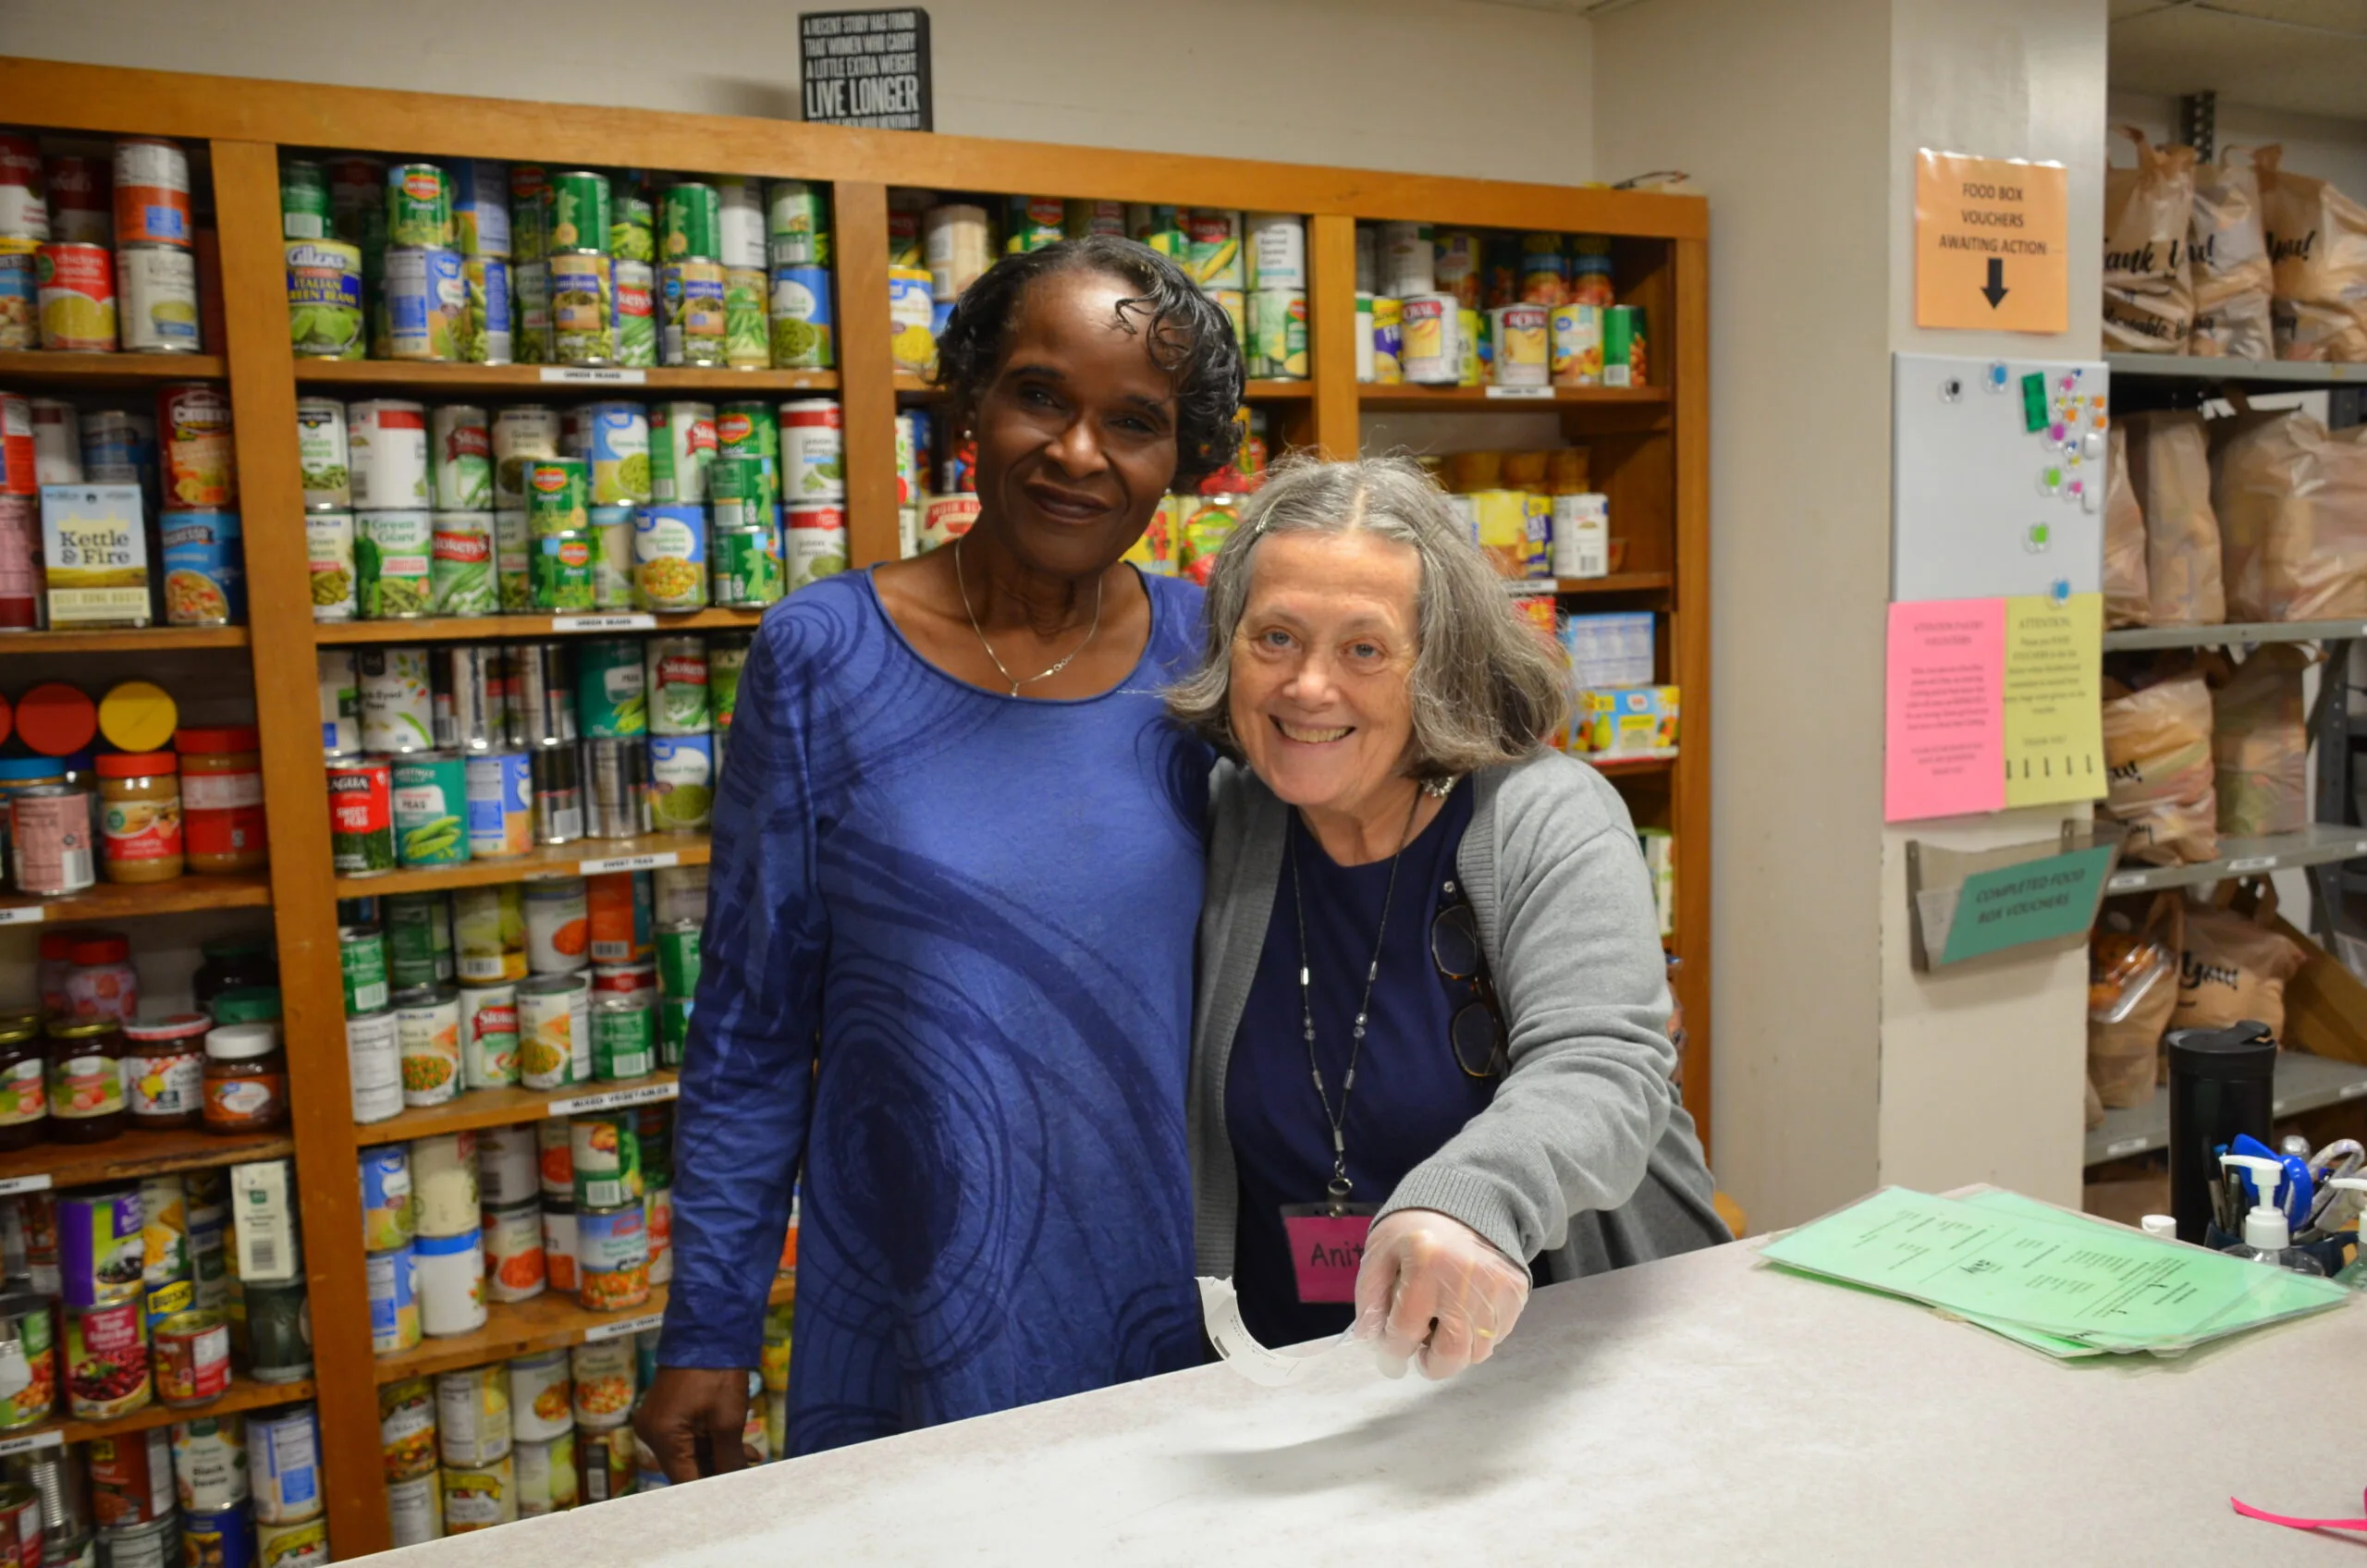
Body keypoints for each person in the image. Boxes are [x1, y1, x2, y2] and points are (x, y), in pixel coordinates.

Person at [640, 236, 1245, 1474]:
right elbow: (752, 1025)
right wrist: (709, 1323)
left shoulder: (1211, 657)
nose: (1079, 453)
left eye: (1134, 422)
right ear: (968, 399)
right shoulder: (824, 656)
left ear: (1179, 459)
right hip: (915, 1292)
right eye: (1040, 394)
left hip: (1171, 1292)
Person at [1171, 456, 1728, 1379]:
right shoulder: (1225, 816)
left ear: (1442, 663)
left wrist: (1471, 1199)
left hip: (1558, 1371)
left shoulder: (1544, 813)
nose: (1308, 686)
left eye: (1363, 647)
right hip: (1295, 1382)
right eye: (1274, 637)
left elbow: (1605, 1066)